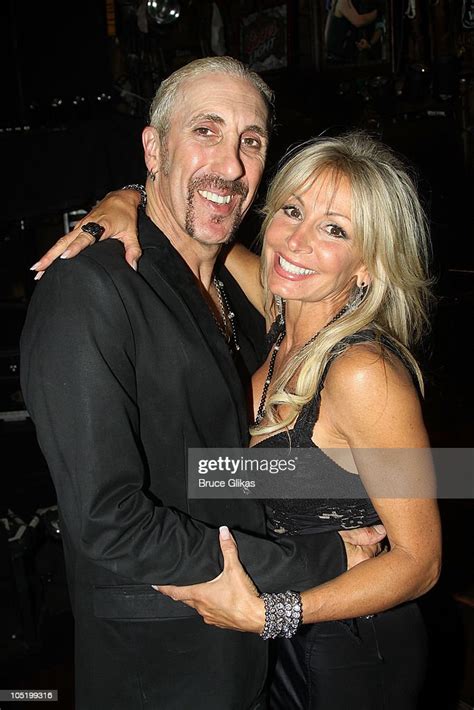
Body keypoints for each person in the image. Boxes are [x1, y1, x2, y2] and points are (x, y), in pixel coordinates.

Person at [21, 58, 383, 710]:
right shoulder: (92, 290)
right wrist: (323, 550)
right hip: (163, 666)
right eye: (206, 131)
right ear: (154, 147)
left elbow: (214, 469)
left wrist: (370, 499)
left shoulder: (259, 299)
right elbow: (110, 521)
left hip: (294, 635)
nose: (232, 164)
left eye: (251, 140)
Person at [324, 0, 378, 64]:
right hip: (336, 59)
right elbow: (358, 21)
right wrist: (377, 13)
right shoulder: (343, 1)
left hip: (342, 57)